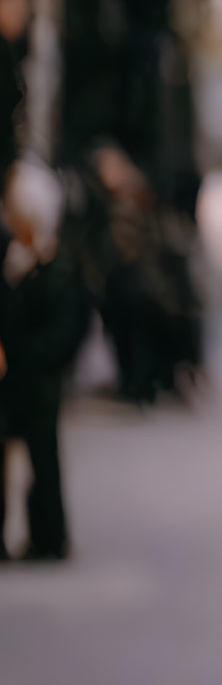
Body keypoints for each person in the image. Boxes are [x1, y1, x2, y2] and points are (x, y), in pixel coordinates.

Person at [0, 159, 90, 562]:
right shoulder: (14, 258)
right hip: (15, 374)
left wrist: (36, 356)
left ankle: (49, 535)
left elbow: (69, 324)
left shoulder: (57, 265)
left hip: (38, 376)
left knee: (42, 458)